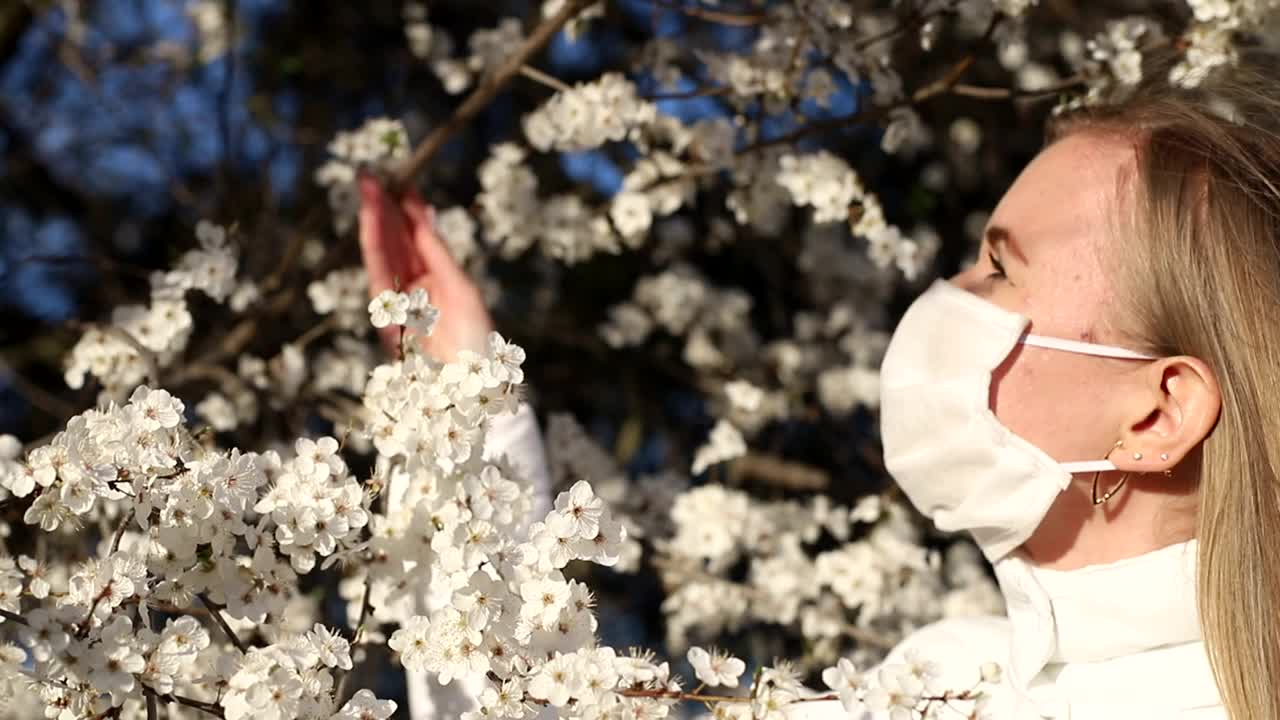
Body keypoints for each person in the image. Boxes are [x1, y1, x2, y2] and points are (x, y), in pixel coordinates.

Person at [358, 50, 1280, 720]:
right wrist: (462, 405)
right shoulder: (944, 682)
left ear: (1157, 413)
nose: (946, 296)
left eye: (1000, 270)